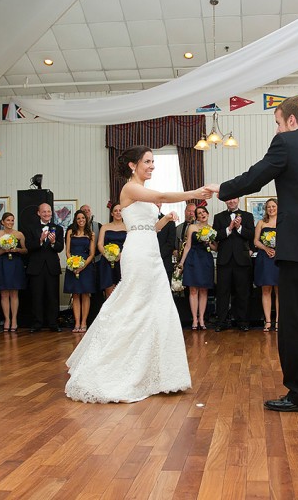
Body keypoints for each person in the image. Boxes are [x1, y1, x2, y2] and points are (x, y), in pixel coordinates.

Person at [206, 95, 298, 413]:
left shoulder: (286, 144)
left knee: (295, 324)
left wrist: (222, 189)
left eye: (277, 122)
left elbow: (255, 175)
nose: (275, 129)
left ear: (291, 121)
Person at [65, 145, 211, 403]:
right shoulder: (130, 188)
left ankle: (159, 373)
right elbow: (164, 195)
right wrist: (194, 193)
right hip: (138, 253)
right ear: (133, 165)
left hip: (150, 250)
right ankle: (114, 365)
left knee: (157, 306)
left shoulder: (141, 192)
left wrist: (164, 220)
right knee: (134, 305)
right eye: (148, 161)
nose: (152, 166)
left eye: (153, 161)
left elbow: (147, 227)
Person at [213, 198, 255, 331]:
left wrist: (239, 227)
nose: (231, 202)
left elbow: (251, 234)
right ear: (225, 202)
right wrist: (229, 228)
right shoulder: (218, 217)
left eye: (233, 199)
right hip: (224, 260)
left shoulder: (248, 216)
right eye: (229, 200)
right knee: (222, 292)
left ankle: (242, 322)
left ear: (238, 200)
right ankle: (221, 322)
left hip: (242, 260)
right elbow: (215, 236)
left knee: (243, 292)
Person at [24, 203, 64, 332]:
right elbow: (29, 246)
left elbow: (60, 247)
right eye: (44, 212)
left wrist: (53, 243)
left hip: (52, 267)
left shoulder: (58, 228)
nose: (47, 214)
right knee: (36, 296)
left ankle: (53, 323)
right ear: (38, 213)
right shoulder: (30, 228)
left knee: (52, 296)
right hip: (36, 267)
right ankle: (37, 324)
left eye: (49, 211)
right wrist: (40, 240)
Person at [177, 206, 217, 330]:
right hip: (193, 259)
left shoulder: (212, 229)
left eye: (204, 212)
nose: (202, 214)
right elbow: (188, 245)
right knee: (193, 290)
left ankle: (202, 319)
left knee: (204, 290)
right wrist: (182, 262)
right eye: (199, 213)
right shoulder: (192, 227)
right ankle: (194, 319)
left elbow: (216, 248)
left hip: (205, 259)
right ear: (196, 217)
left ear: (208, 214)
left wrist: (208, 242)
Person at [0, 212, 28, 333]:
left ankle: (14, 319)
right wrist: (3, 250)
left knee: (14, 293)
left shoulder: (19, 234)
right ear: (2, 222)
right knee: (4, 293)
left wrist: (16, 249)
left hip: (15, 263)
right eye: (8, 220)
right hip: (3, 263)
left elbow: (25, 250)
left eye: (12, 220)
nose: (10, 222)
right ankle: (6, 319)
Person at [63, 209, 97, 333]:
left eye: (83, 218)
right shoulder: (70, 232)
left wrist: (82, 266)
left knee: (85, 294)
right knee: (75, 294)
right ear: (75, 220)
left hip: (86, 266)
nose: (81, 220)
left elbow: (92, 253)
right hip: (73, 266)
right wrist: (72, 264)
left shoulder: (91, 234)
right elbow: (67, 251)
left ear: (86, 219)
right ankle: (76, 323)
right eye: (78, 218)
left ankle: (84, 323)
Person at [254, 198, 281, 332]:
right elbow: (256, 241)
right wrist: (266, 249)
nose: (271, 209)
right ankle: (268, 320)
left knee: (279, 291)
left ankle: (278, 321)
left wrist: (277, 250)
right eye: (269, 207)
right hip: (265, 258)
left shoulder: (283, 222)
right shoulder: (261, 223)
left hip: (279, 258)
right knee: (266, 290)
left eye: (273, 206)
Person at [97, 203, 127, 298]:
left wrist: (121, 255)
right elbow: (100, 244)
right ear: (112, 214)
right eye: (115, 211)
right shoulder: (105, 227)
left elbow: (131, 244)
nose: (118, 213)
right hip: (107, 261)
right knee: (109, 292)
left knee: (123, 291)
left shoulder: (128, 227)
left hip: (123, 260)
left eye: (120, 210)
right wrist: (109, 256)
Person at [156, 203, 177, 280]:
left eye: (157, 202)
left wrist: (157, 256)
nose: (156, 204)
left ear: (160, 204)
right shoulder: (144, 221)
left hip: (164, 263)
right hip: (147, 263)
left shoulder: (169, 221)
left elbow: (170, 243)